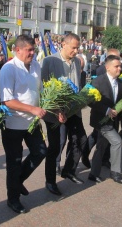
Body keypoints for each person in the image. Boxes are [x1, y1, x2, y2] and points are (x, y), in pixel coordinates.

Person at [0, 35, 64, 214]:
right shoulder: (8, 69)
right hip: (13, 123)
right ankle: (13, 199)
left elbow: (41, 92)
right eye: (29, 50)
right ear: (17, 50)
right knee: (14, 161)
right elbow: (6, 101)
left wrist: (54, 109)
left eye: (33, 49)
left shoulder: (36, 65)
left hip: (32, 122)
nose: (32, 53)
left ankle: (17, 181)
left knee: (41, 151)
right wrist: (32, 109)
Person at [41, 33, 87, 196]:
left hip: (72, 109)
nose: (76, 51)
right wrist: (57, 110)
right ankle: (50, 181)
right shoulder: (49, 61)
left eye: (78, 48)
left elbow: (77, 85)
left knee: (81, 139)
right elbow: (44, 89)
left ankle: (68, 170)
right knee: (55, 146)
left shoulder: (76, 62)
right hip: (54, 111)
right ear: (63, 45)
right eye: (73, 47)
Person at [88, 55, 122, 184]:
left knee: (101, 145)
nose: (119, 68)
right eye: (116, 66)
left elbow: (119, 101)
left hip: (114, 120)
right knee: (117, 141)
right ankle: (115, 172)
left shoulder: (121, 83)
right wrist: (106, 110)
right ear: (107, 67)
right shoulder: (98, 81)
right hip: (101, 120)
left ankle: (93, 173)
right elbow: (91, 101)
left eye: (120, 66)